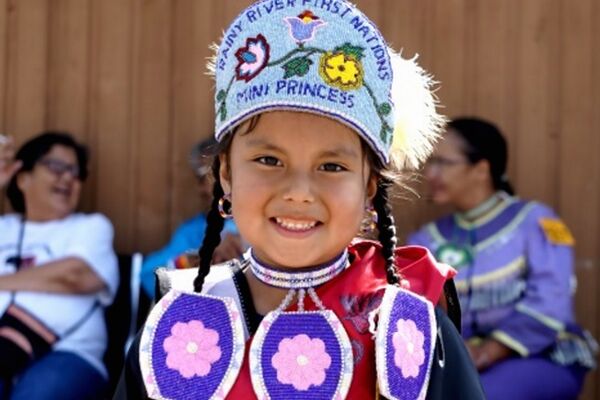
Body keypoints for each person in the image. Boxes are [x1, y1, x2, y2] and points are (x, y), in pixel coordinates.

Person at [115, 1, 485, 399]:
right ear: (225, 174)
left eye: (331, 167)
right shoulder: (179, 323)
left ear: (369, 189)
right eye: (268, 160)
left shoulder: (407, 328)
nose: (298, 191)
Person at [409, 117, 596, 399]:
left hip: (541, 356)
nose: (430, 173)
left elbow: (551, 300)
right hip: (460, 365)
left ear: (481, 169)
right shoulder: (426, 240)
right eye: (430, 162)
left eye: (443, 163)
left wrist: (487, 352)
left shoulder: (535, 222)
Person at [0, 132, 118, 399]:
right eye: (56, 167)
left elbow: (74, 276)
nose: (68, 177)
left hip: (68, 353)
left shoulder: (90, 227)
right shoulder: (3, 228)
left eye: (75, 172)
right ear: (22, 178)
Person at [140, 139, 242, 299]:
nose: (204, 187)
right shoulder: (192, 231)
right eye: (203, 178)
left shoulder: (263, 224)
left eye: (226, 172)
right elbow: (149, 276)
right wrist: (202, 256)